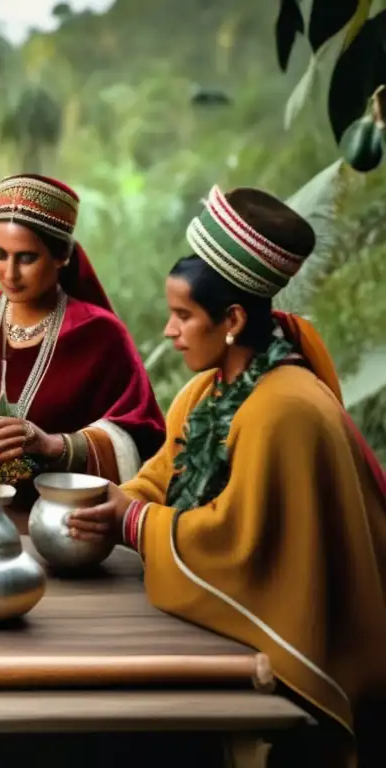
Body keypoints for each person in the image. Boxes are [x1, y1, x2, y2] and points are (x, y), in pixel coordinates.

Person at [67, 186, 386, 765]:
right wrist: (113, 500)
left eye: (184, 316)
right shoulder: (203, 390)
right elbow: (165, 475)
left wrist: (132, 522)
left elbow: (238, 541)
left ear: (233, 320)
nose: (170, 331)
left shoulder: (284, 409)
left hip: (301, 647)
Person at [0, 173, 166, 515]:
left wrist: (55, 445)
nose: (10, 273)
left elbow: (143, 439)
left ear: (61, 256)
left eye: (26, 258)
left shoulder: (98, 334)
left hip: (59, 526)